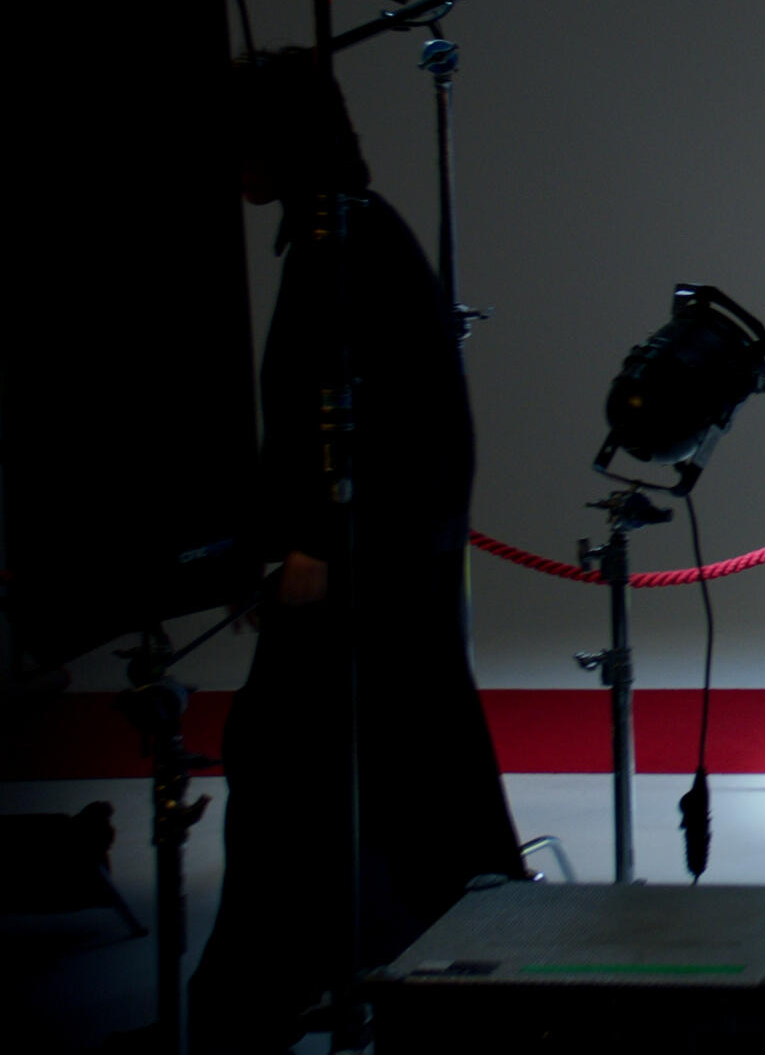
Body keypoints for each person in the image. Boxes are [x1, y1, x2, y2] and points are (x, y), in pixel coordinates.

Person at [190, 53, 524, 1053]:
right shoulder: (339, 232)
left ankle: (272, 1003)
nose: (232, 165)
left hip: (365, 572)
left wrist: (322, 548)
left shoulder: (347, 239)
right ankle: (327, 986)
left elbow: (398, 427)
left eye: (243, 144)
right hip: (371, 567)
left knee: (299, 775)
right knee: (355, 783)